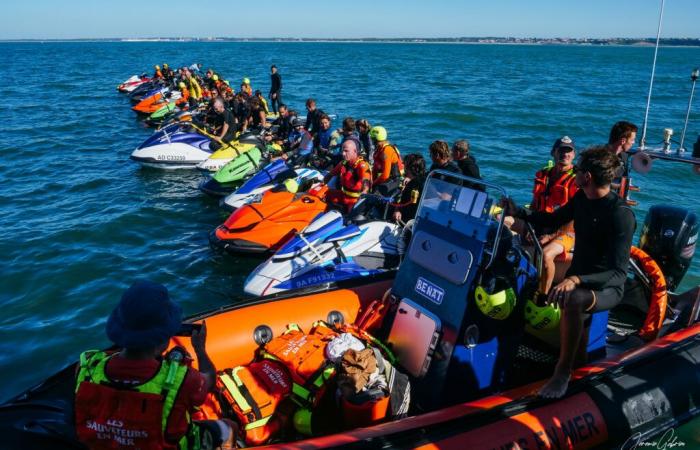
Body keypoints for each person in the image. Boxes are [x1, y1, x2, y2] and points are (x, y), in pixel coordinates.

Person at [502, 146, 636, 399]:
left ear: (588, 177)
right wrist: (518, 211)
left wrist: (576, 280)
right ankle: (579, 379)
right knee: (581, 346)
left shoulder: (620, 215)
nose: (573, 172)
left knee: (572, 299)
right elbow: (551, 220)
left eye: (579, 169)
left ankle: (561, 373)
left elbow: (618, 274)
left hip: (605, 287)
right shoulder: (582, 199)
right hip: (580, 280)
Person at [74, 281, 236, 449]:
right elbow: (209, 381)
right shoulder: (185, 380)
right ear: (162, 339)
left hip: (107, 444)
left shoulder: (87, 365)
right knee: (229, 427)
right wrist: (200, 349)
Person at [531, 136, 579, 295]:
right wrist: (528, 227)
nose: (565, 155)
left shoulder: (575, 181)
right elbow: (534, 205)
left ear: (573, 155)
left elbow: (575, 219)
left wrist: (552, 235)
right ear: (553, 152)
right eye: (561, 151)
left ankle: (542, 297)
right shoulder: (543, 175)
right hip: (542, 223)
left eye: (568, 151)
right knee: (503, 221)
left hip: (567, 231)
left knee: (546, 255)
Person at [324, 139, 372, 213]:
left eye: (346, 151)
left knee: (349, 217)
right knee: (322, 194)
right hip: (343, 195)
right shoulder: (344, 163)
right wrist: (321, 183)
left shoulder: (362, 165)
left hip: (354, 200)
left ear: (355, 151)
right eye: (342, 151)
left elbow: (366, 181)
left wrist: (364, 192)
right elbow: (330, 174)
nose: (343, 154)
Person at [369, 126, 404, 196]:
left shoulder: (387, 150)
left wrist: (373, 183)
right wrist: (371, 181)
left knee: (376, 195)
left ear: (375, 139)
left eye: (372, 139)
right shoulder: (379, 149)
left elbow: (385, 175)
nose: (371, 141)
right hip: (386, 179)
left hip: (394, 179)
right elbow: (375, 169)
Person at [392, 153, 426, 223]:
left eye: (405, 165)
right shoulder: (426, 180)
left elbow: (402, 203)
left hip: (408, 220)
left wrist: (397, 210)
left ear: (410, 168)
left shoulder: (412, 185)